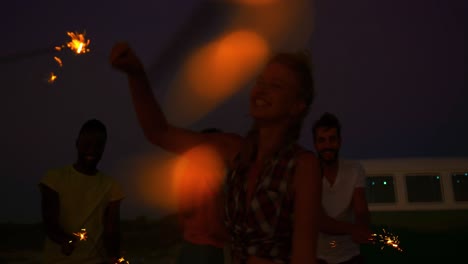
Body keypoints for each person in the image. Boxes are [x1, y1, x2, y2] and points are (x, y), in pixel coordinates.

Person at [110, 42, 321, 264]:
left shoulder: (302, 166)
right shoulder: (233, 150)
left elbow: (304, 256)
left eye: (276, 85)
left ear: (298, 105)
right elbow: (159, 132)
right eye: (260, 82)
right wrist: (136, 74)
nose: (261, 90)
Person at [39, 119, 125, 264]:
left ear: (103, 148)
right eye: (87, 144)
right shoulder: (53, 179)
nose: (92, 150)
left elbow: (112, 231)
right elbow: (49, 222)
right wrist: (64, 240)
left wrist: (115, 258)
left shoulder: (112, 186)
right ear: (77, 143)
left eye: (98, 145)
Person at [312, 113, 372, 264]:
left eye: (332, 139)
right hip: (317, 256)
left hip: (350, 254)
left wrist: (363, 226)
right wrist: (354, 230)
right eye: (322, 140)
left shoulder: (354, 169)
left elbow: (361, 210)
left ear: (339, 142)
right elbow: (318, 220)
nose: (327, 145)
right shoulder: (308, 173)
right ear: (315, 145)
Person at [176, 128, 228, 264]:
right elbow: (214, 222)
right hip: (208, 247)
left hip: (189, 245)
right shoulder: (211, 176)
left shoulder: (187, 174)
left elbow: (182, 215)